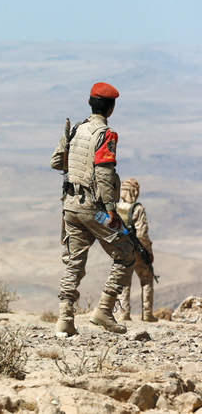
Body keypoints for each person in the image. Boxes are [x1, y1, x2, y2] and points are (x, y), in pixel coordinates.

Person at [49, 82, 135, 337]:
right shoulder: (106, 134)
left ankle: (65, 319)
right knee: (127, 253)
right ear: (112, 108)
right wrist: (110, 210)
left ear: (90, 103)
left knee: (74, 262)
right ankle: (104, 310)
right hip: (94, 209)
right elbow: (104, 173)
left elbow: (56, 162)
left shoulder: (76, 129)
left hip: (70, 206)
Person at [116, 178, 158, 322]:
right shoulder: (137, 209)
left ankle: (123, 313)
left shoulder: (116, 208)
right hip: (136, 251)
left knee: (124, 281)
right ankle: (147, 314)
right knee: (147, 279)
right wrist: (149, 251)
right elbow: (141, 235)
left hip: (121, 250)